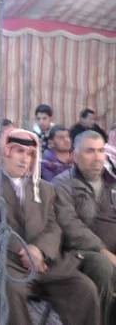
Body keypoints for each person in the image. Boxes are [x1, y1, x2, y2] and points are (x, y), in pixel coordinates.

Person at [0, 128, 100, 325]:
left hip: (45, 263)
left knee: (84, 288)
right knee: (11, 291)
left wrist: (39, 251)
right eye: (19, 151)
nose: (25, 159)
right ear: (5, 152)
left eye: (30, 154)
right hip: (7, 262)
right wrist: (24, 251)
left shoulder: (44, 189)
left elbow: (54, 227)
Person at [52, 131, 116, 325]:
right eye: (90, 151)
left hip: (111, 250)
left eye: (101, 151)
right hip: (77, 253)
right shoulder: (62, 184)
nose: (97, 157)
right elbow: (70, 225)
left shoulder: (112, 183)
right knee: (102, 266)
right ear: (74, 155)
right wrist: (103, 251)